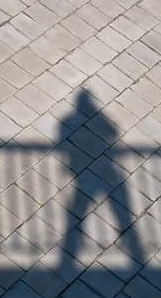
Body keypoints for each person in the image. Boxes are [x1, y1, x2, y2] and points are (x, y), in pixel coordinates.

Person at [57, 90, 146, 277]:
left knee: (77, 215)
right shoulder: (96, 118)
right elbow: (113, 132)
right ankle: (135, 252)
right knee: (122, 213)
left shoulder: (66, 122)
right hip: (106, 170)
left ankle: (68, 258)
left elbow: (63, 145)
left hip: (83, 172)